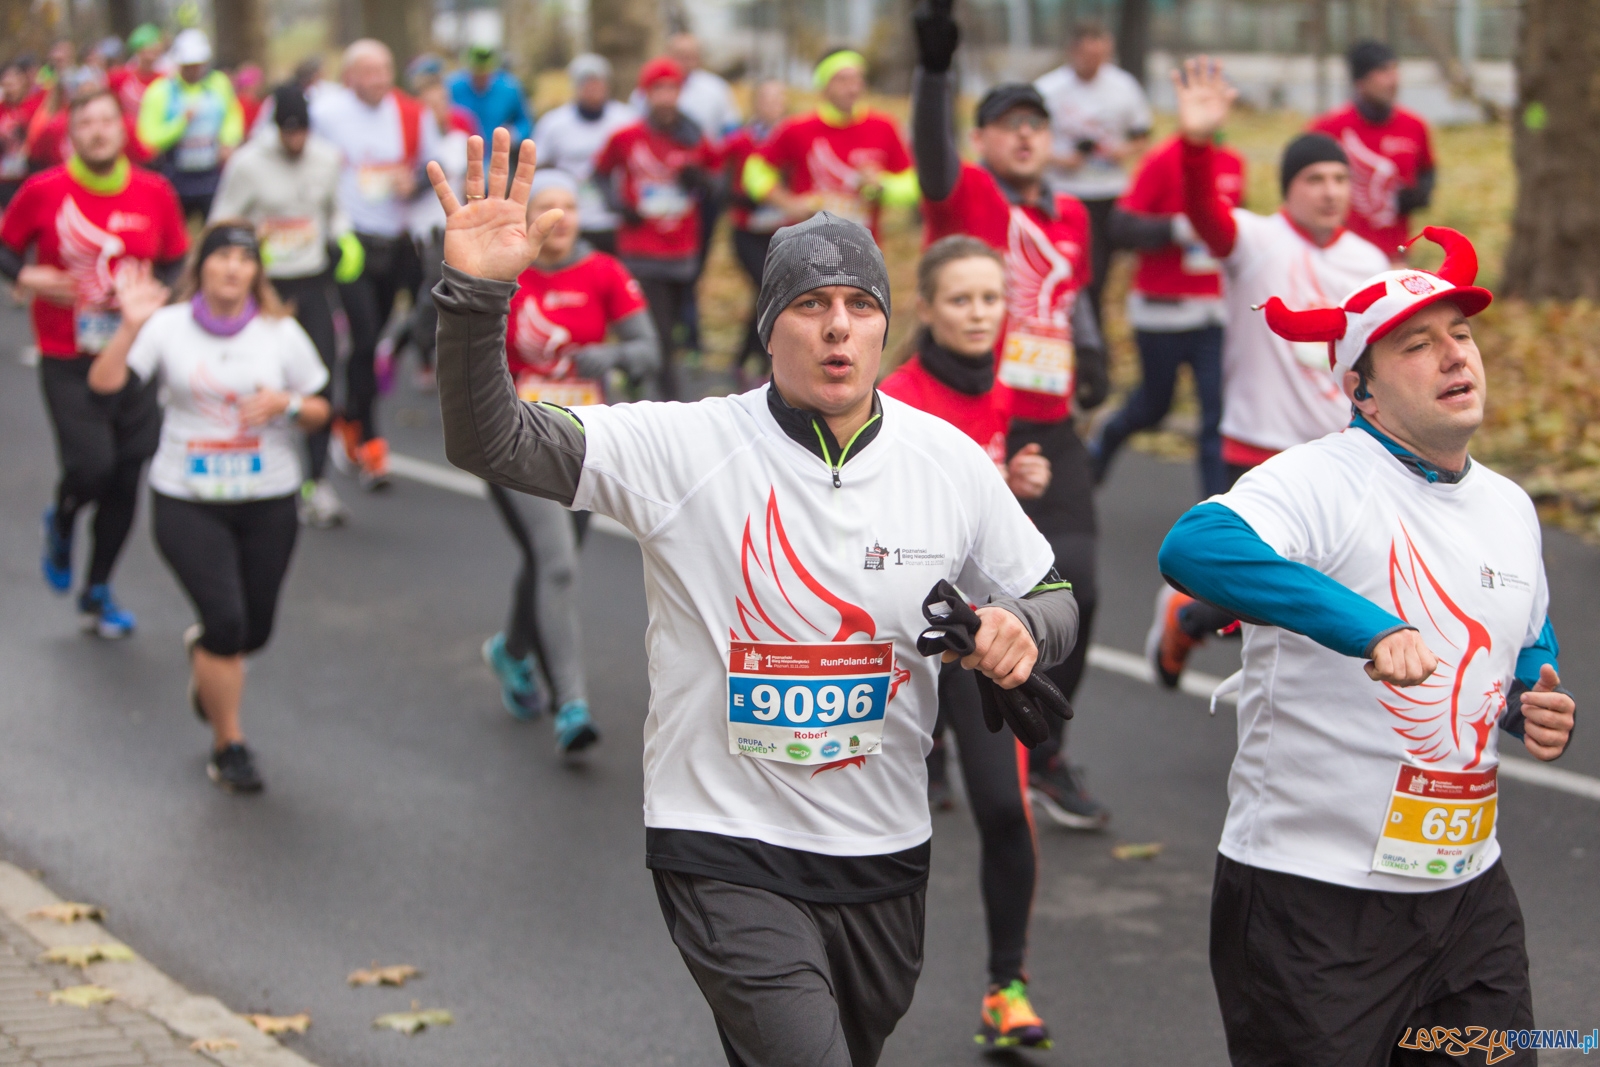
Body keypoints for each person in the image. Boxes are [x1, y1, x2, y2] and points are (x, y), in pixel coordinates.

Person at [430, 127, 1078, 1067]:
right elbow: (490, 441)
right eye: (811, 305)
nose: (837, 326)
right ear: (770, 323)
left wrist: (1023, 627)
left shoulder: (944, 458)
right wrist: (478, 296)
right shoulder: (684, 445)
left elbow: (1050, 590)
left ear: (885, 324)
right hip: (723, 841)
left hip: (883, 851)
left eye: (860, 304)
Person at [1158, 215, 1575, 1067]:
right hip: (1313, 901)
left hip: (1467, 897)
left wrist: (1534, 693)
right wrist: (1372, 627)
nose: (1456, 355)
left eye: (1460, 334)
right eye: (1417, 346)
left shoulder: (1509, 505)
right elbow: (1193, 546)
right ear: (1363, 391)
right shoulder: (1322, 479)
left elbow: (1526, 630)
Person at [913, 0, 1113, 829]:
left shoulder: (1070, 215)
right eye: (1007, 124)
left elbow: (1072, 298)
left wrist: (1095, 352)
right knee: (941, 586)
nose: (1025, 135)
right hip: (969, 416)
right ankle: (930, 738)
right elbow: (931, 160)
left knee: (1081, 590)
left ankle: (1043, 745)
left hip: (1051, 428)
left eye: (1037, 123)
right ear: (987, 140)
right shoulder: (968, 202)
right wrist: (934, 73)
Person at [1149, 57, 1390, 690]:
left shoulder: (1367, 260)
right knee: (1255, 595)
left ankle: (1293, 695)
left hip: (1339, 454)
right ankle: (1187, 615)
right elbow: (1203, 214)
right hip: (1254, 445)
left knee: (1317, 592)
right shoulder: (1253, 240)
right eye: (1315, 178)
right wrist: (1197, 143)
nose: (1331, 190)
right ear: (1290, 187)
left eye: (1340, 178)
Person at [880, 236, 1058, 1050]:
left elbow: (1004, 535)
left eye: (992, 298)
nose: (980, 313)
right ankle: (852, 971)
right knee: (875, 814)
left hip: (978, 641)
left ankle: (1006, 985)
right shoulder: (892, 397)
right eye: (961, 299)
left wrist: (1013, 489)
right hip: (893, 641)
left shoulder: (1012, 389)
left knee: (1003, 809)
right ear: (926, 310)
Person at [85, 223, 331, 794]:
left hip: (269, 495)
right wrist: (129, 327)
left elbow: (322, 408)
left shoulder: (280, 332)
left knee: (254, 631)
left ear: (255, 272)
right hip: (187, 498)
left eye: (243, 260)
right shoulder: (166, 328)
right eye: (220, 256)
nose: (231, 268)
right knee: (226, 623)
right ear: (202, 266)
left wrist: (287, 404)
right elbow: (104, 391)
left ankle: (208, 661)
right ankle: (229, 745)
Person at [0, 88, 188, 637]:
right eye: (87, 123)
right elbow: (7, 249)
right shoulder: (43, 191)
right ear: (70, 135)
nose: (99, 131)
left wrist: (158, 292)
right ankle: (61, 520)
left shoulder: (155, 191)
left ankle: (98, 588)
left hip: (134, 353)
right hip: (67, 353)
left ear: (122, 129)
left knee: (127, 475)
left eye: (108, 120)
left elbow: (176, 258)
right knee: (91, 468)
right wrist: (24, 278)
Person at [485, 170, 659, 749]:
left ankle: (511, 652)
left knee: (547, 562)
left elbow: (647, 351)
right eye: (547, 206)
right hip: (514, 439)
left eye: (569, 206)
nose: (558, 218)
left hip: (585, 443)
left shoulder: (604, 272)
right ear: (528, 215)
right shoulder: (507, 270)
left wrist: (607, 354)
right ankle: (572, 707)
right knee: (557, 563)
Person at [210, 83, 358, 529]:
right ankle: (244, 470)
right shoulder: (248, 163)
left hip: (311, 282)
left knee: (322, 380)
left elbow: (335, 210)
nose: (295, 142)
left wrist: (344, 237)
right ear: (276, 129)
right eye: (287, 133)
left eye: (302, 133)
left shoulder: (327, 158)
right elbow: (224, 218)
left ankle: (315, 483)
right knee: (251, 379)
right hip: (264, 288)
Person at [311, 38, 441, 489]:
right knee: (364, 338)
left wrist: (416, 183)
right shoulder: (326, 114)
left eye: (384, 69)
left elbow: (434, 164)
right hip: (349, 242)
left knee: (379, 337)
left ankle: (349, 415)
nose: (378, 79)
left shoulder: (409, 113)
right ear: (349, 76)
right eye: (367, 71)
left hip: (396, 239)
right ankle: (369, 440)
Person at [1091, 132, 1246, 497]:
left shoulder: (1234, 162)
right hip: (1161, 313)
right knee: (1153, 406)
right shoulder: (1161, 160)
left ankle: (1218, 514)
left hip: (1213, 314)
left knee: (1215, 418)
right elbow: (1120, 226)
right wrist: (1175, 228)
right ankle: (1103, 444)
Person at [592, 57, 718, 401]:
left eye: (672, 89)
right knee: (659, 332)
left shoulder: (694, 137)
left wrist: (702, 181)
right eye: (657, 89)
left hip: (682, 249)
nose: (665, 97)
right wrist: (618, 205)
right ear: (646, 94)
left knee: (671, 331)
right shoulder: (627, 137)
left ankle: (635, 375)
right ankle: (670, 402)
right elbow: (600, 173)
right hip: (640, 249)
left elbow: (719, 183)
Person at [1034, 20, 1152, 324]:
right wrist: (1062, 159)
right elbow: (1028, 142)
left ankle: (1092, 337)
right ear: (1072, 51)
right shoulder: (1048, 89)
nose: (1093, 63)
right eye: (1086, 56)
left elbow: (1142, 135)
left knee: (1098, 273)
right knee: (1066, 270)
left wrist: (1120, 152)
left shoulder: (1123, 86)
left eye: (1099, 56)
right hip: (1064, 191)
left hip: (1108, 192)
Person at [742, 49, 918, 242]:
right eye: (842, 80)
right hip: (807, 246)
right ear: (823, 85)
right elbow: (754, 171)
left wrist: (882, 185)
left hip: (863, 249)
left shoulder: (884, 127)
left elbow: (912, 185)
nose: (852, 88)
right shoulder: (797, 128)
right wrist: (788, 203)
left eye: (857, 79)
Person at [1310, 40, 1436, 260]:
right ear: (1360, 81)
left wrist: (1419, 195)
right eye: (1383, 72)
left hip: (1394, 254)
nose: (1393, 80)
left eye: (1395, 70)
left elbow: (1427, 169)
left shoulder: (1414, 126)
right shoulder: (1329, 128)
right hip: (1340, 255)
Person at [532, 53, 636, 256]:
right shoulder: (554, 123)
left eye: (597, 82)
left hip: (618, 216)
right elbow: (539, 167)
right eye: (586, 82)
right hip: (573, 217)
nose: (592, 88)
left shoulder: (626, 120)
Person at [721, 78, 789, 381]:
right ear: (755, 104)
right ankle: (755, 358)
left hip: (782, 233)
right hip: (747, 231)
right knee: (767, 289)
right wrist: (738, 196)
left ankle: (750, 359)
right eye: (766, 99)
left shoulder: (793, 137)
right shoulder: (740, 141)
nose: (772, 106)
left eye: (777, 100)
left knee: (769, 292)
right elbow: (718, 175)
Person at [136, 29, 244, 219]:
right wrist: (180, 123)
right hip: (175, 177)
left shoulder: (219, 84)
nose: (194, 70)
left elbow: (232, 116)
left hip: (212, 176)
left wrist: (228, 141)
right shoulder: (160, 91)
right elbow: (148, 137)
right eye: (189, 65)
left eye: (198, 65)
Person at [628, 32, 739, 145]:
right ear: (668, 54)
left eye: (690, 56)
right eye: (680, 55)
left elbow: (731, 129)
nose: (684, 61)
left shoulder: (716, 88)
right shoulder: (646, 89)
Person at [447, 44, 531, 143]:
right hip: (461, 152)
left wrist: (515, 133)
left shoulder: (510, 88)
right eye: (477, 72)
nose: (481, 78)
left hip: (497, 150)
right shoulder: (452, 87)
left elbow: (525, 122)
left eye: (485, 73)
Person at [0, 60, 45, 206]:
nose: (10, 88)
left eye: (13, 83)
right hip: (5, 176)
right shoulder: (2, 110)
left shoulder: (36, 104)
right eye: (6, 84)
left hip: (32, 169)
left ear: (23, 82)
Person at [108, 24, 164, 116]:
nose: (154, 49)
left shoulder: (164, 79)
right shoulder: (119, 77)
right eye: (149, 45)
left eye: (156, 46)